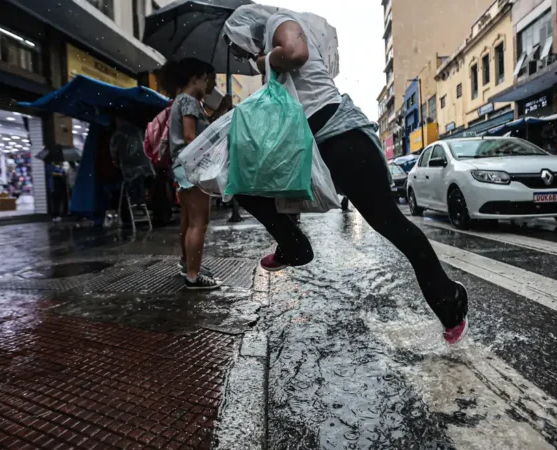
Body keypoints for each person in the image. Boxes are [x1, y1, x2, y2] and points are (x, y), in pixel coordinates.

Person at [223, 5, 468, 343]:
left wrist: (265, 61)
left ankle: (449, 300)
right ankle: (293, 245)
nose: (242, 56)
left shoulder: (280, 23)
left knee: (390, 224)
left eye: (239, 48)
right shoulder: (270, 47)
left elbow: (295, 53)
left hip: (343, 139)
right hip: (315, 146)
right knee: (241, 181)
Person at [163, 58, 232, 290]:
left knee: (188, 221)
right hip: (193, 169)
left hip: (182, 167)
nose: (208, 84)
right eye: (206, 79)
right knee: (199, 223)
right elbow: (192, 137)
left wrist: (222, 110)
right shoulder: (190, 101)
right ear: (195, 78)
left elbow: (199, 130)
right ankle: (193, 276)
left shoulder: (181, 100)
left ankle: (187, 264)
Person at [110, 116, 155, 226]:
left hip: (131, 167)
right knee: (139, 182)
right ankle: (140, 202)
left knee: (133, 184)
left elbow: (114, 151)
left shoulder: (119, 133)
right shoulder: (138, 131)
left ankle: (137, 203)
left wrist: (116, 162)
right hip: (146, 168)